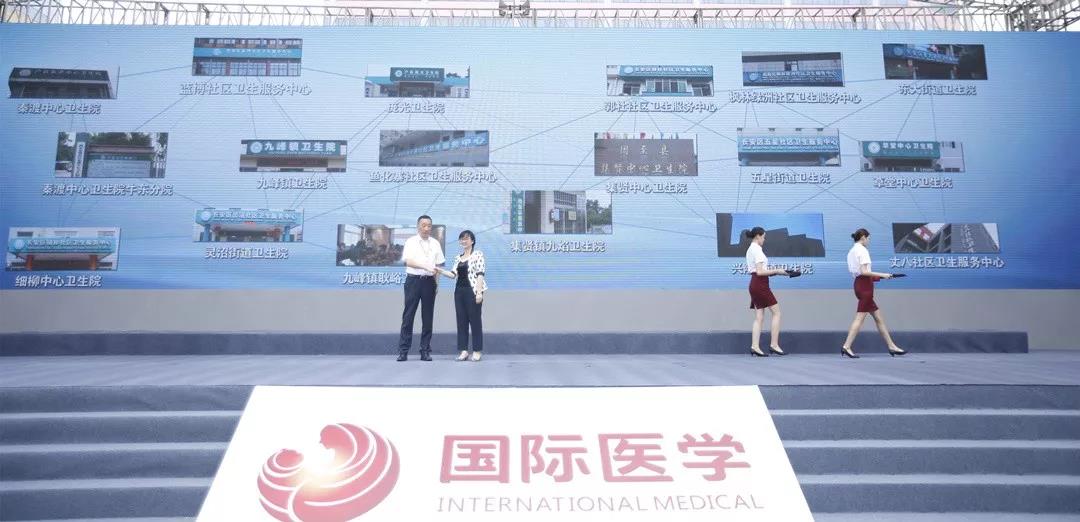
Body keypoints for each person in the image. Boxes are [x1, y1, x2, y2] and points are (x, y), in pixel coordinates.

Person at [841, 228, 907, 358]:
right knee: (859, 318)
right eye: (869, 238)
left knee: (878, 318)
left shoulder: (851, 251)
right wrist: (883, 274)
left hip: (859, 285)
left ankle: (891, 346)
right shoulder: (862, 250)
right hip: (865, 288)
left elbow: (860, 274)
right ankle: (846, 346)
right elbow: (864, 272)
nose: (869, 241)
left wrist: (880, 277)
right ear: (863, 237)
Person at [396, 215, 445, 361]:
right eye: (423, 225)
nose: (426, 228)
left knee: (428, 317)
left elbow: (438, 265)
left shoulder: (435, 243)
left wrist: (437, 284)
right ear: (418, 226)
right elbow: (409, 261)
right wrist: (425, 266)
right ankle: (403, 351)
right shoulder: (411, 241)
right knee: (408, 316)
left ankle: (425, 351)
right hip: (413, 281)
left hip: (429, 282)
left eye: (429, 225)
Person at [745, 227, 796, 357]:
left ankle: (755, 346)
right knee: (777, 313)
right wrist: (778, 271)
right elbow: (760, 272)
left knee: (759, 317)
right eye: (763, 237)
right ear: (758, 236)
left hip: (755, 284)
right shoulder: (757, 250)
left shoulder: (751, 249)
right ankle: (774, 345)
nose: (764, 239)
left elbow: (759, 271)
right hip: (760, 284)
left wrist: (783, 273)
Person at [443, 230, 487, 362]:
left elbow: (480, 274)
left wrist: (479, 293)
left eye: (466, 238)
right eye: (461, 239)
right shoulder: (458, 257)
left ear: (472, 241)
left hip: (472, 290)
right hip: (459, 291)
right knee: (461, 321)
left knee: (475, 321)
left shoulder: (478, 254)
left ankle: (477, 351)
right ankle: (464, 351)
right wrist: (439, 271)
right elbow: (453, 274)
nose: (463, 241)